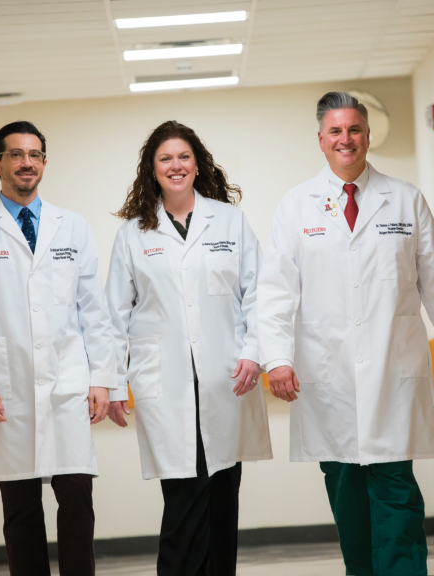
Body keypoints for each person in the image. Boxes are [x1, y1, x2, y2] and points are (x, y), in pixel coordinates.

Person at [257, 92, 434, 576]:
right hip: (327, 378)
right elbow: (274, 292)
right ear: (320, 140)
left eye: (353, 129)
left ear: (367, 135)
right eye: (335, 131)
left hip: (392, 376)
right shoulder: (296, 207)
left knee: (397, 498)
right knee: (349, 504)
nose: (346, 139)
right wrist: (276, 358)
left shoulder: (405, 199)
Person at [0, 120, 118, 576]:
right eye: (17, 154)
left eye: (35, 154)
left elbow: (93, 310)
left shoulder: (73, 228)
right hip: (8, 386)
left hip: (66, 383)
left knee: (77, 498)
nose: (27, 163)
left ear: (44, 162)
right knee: (20, 509)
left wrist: (102, 377)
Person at [106, 121, 273, 576]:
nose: (175, 166)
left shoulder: (230, 220)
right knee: (182, 503)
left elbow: (259, 293)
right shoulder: (133, 234)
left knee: (222, 501)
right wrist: (114, 383)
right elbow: (115, 315)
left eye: (183, 157)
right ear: (152, 169)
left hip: (225, 378)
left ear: (197, 163)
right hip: (168, 384)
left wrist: (255, 350)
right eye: (165, 159)